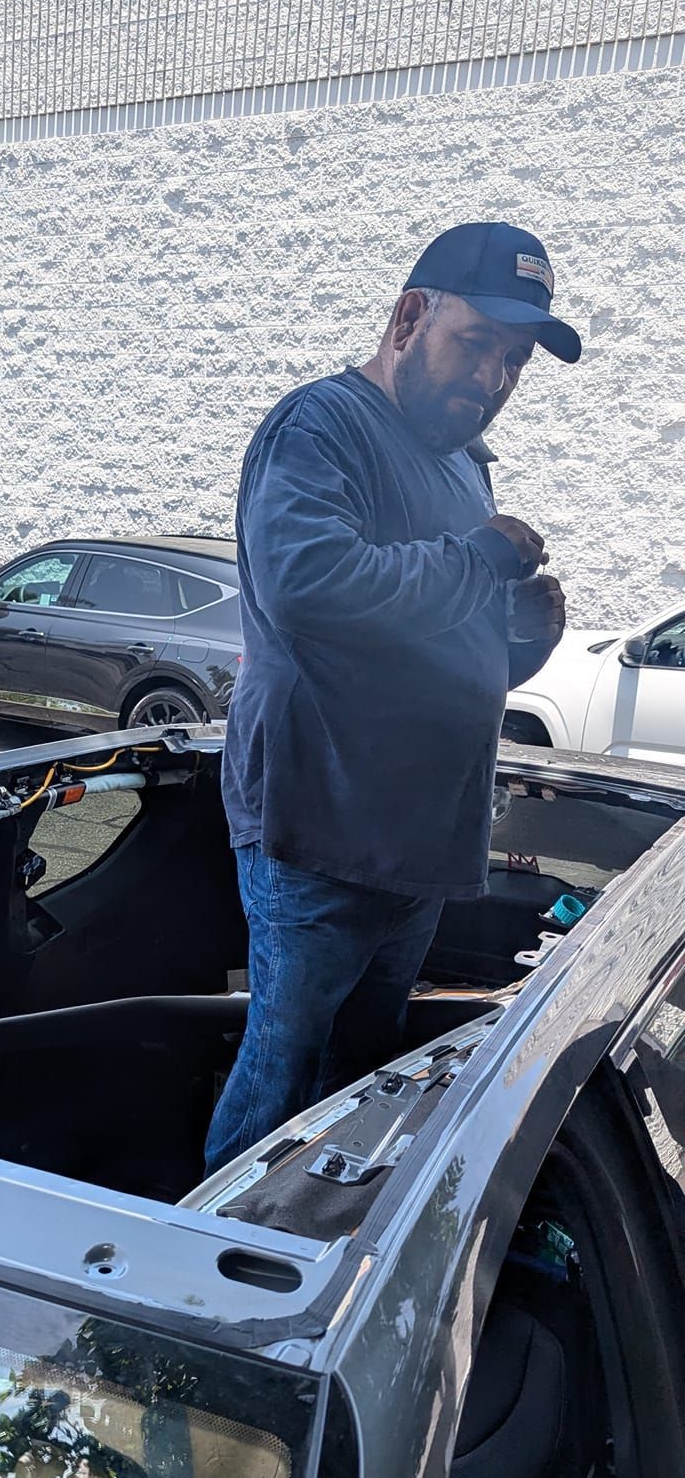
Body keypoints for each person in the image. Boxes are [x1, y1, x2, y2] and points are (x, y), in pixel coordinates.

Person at [205, 221, 582, 1174]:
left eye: (515, 361)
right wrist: (483, 558)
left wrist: (518, 634)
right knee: (283, 1072)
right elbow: (309, 584)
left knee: (360, 1077)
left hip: (419, 838)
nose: (495, 379)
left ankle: (321, 1239)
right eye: (478, 345)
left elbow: (440, 652)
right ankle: (201, 1273)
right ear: (410, 317)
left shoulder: (462, 464)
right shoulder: (322, 426)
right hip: (322, 825)